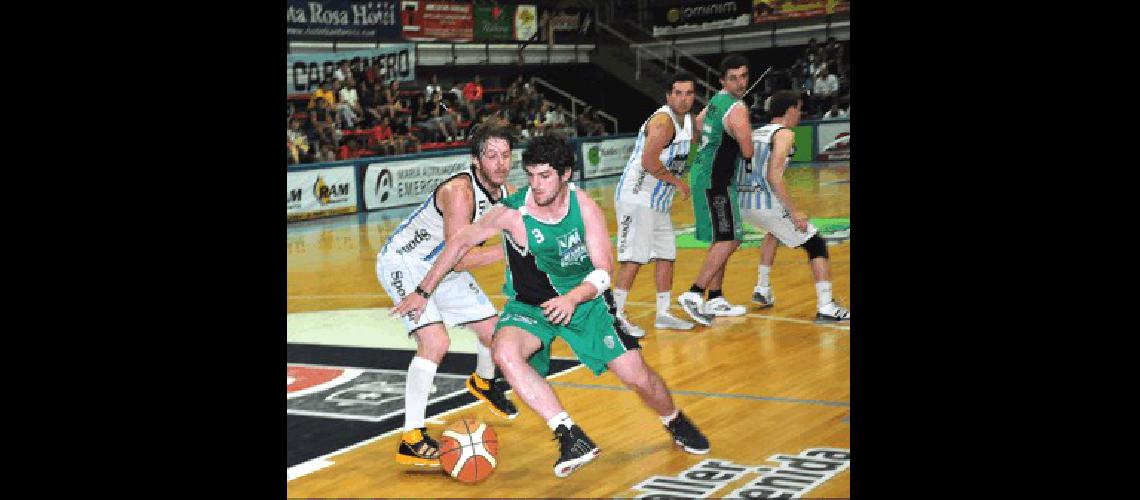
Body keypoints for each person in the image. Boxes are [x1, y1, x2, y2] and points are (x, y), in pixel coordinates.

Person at [392, 135, 710, 478]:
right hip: (530, 306)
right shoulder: (513, 212)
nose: (536, 184)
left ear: (566, 174)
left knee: (639, 377)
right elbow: (459, 243)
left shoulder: (583, 207)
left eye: (545, 176)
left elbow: (604, 269)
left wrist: (572, 298)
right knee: (504, 351)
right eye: (531, 175)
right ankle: (570, 435)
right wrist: (423, 291)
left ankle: (674, 419)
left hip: (585, 304)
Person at [376, 124, 522, 467]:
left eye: (505, 155)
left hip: (448, 269)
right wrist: (508, 251)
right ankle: (411, 437)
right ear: (475, 160)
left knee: (496, 333)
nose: (500, 163)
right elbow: (462, 256)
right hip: (406, 263)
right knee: (436, 343)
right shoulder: (461, 192)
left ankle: (483, 382)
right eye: (491, 156)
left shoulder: (507, 193)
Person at [740, 90, 850, 323]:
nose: (800, 114)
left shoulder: (756, 132)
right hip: (765, 203)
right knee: (816, 244)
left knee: (774, 232)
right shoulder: (784, 134)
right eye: (798, 109)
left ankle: (762, 286)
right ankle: (826, 306)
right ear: (789, 110)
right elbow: (774, 175)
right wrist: (793, 210)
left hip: (744, 203)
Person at [612, 72, 700, 336]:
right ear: (668, 96)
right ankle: (615, 315)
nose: (684, 99)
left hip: (657, 201)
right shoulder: (663, 121)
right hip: (637, 197)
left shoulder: (687, 120)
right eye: (678, 93)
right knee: (633, 258)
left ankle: (663, 313)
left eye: (689, 93)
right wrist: (678, 182)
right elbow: (649, 161)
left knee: (666, 254)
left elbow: (699, 135)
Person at [677, 54, 756, 325]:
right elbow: (747, 151)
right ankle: (694, 293)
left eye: (743, 76)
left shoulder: (715, 102)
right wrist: (744, 132)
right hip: (715, 179)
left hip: (706, 174)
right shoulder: (737, 109)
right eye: (733, 78)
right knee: (730, 238)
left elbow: (698, 125)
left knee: (721, 237)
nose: (740, 82)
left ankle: (716, 297)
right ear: (723, 80)